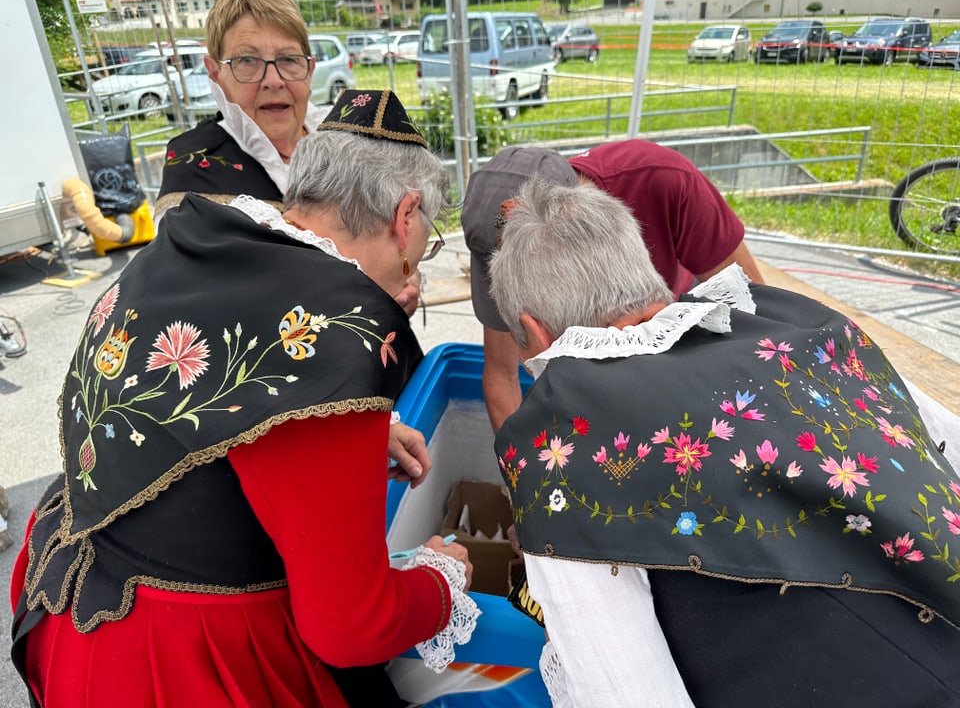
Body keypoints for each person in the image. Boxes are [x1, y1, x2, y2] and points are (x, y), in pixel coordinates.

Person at [9, 90, 479, 708]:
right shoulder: (337, 331)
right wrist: (440, 580)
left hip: (74, 597)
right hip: (182, 657)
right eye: (425, 249)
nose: (415, 272)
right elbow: (350, 626)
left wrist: (353, 429)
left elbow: (208, 406)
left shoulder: (198, 239)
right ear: (405, 216)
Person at [488, 178, 960, 707]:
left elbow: (622, 691)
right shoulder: (796, 322)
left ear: (537, 332)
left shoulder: (563, 445)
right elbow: (943, 447)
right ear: (646, 275)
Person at [462, 143, 765, 431]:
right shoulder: (498, 257)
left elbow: (753, 310)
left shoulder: (665, 180)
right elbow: (502, 375)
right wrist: (521, 473)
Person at [155, 0, 421, 316]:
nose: (273, 80)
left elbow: (396, 238)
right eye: (247, 62)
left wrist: (405, 277)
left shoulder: (346, 138)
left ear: (309, 70)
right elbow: (208, 304)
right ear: (215, 73)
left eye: (288, 60)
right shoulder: (194, 165)